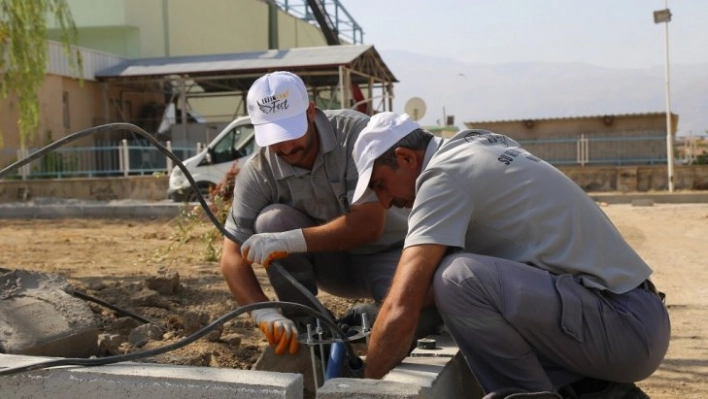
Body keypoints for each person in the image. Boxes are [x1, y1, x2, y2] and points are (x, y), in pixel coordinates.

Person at [351, 112, 670, 398]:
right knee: (451, 284)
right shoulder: (479, 146)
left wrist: (367, 387)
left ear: (406, 158)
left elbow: (403, 303)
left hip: (621, 326)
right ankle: (594, 390)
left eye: (381, 184)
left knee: (458, 280)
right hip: (633, 317)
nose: (384, 201)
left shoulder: (443, 177)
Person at [219, 71, 414, 356]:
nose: (285, 147)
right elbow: (231, 257)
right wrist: (263, 312)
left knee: (411, 316)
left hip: (388, 254)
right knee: (272, 221)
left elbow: (368, 226)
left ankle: (370, 317)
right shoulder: (260, 171)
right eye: (275, 137)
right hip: (332, 266)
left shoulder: (354, 136)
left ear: (311, 112)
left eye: (290, 133)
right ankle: (310, 325)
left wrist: (288, 242)